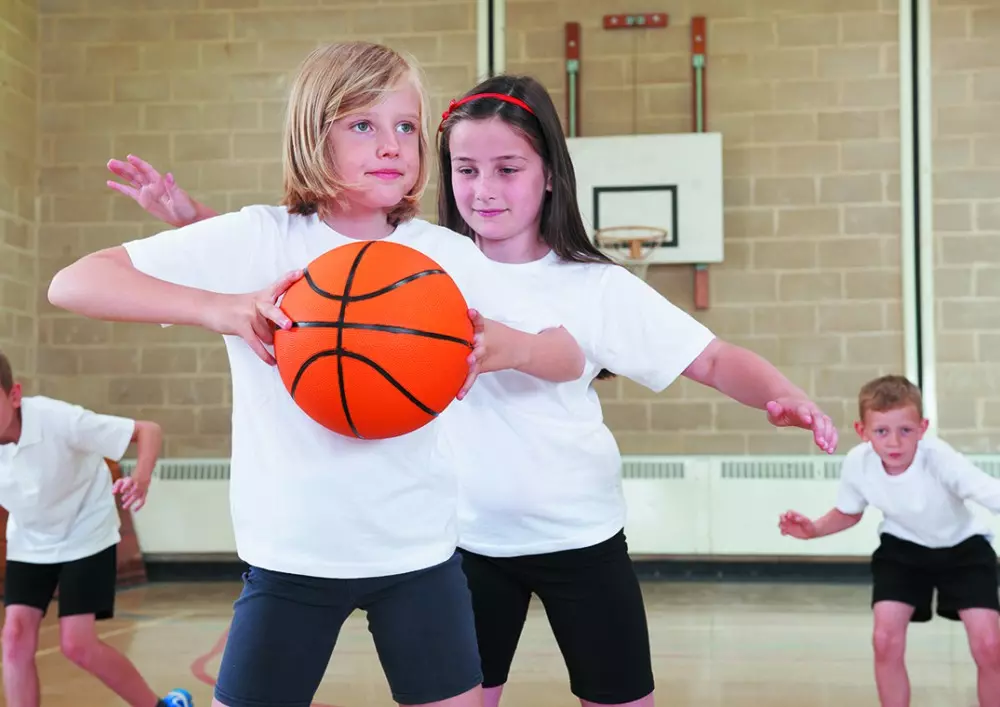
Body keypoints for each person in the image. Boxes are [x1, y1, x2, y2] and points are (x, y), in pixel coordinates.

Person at [102, 74, 839, 707]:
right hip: (465, 540)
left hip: (579, 534)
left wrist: (782, 394)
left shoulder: (588, 285)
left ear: (549, 174)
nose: (483, 189)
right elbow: (319, 290)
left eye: (507, 169)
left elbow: (708, 358)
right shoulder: (420, 264)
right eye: (466, 168)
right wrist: (198, 228)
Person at [47, 44, 585, 707]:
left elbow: (569, 354)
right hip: (292, 558)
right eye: (362, 124)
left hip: (419, 554)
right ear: (312, 134)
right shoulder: (259, 239)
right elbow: (75, 282)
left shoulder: (446, 254)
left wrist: (512, 346)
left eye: (406, 126)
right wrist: (219, 308)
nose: (390, 145)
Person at [779, 374, 1000, 707]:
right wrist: (814, 529)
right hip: (902, 550)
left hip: (964, 550)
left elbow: (989, 491)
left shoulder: (938, 457)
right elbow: (849, 511)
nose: (894, 442)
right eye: (881, 431)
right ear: (863, 431)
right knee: (884, 641)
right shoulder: (858, 463)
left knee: (989, 646)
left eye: (905, 430)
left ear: (922, 428)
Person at [0, 350, 193, 707]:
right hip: (31, 538)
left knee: (77, 645)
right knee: (13, 640)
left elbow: (147, 430)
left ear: (14, 395)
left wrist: (141, 478)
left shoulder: (58, 420)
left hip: (86, 532)